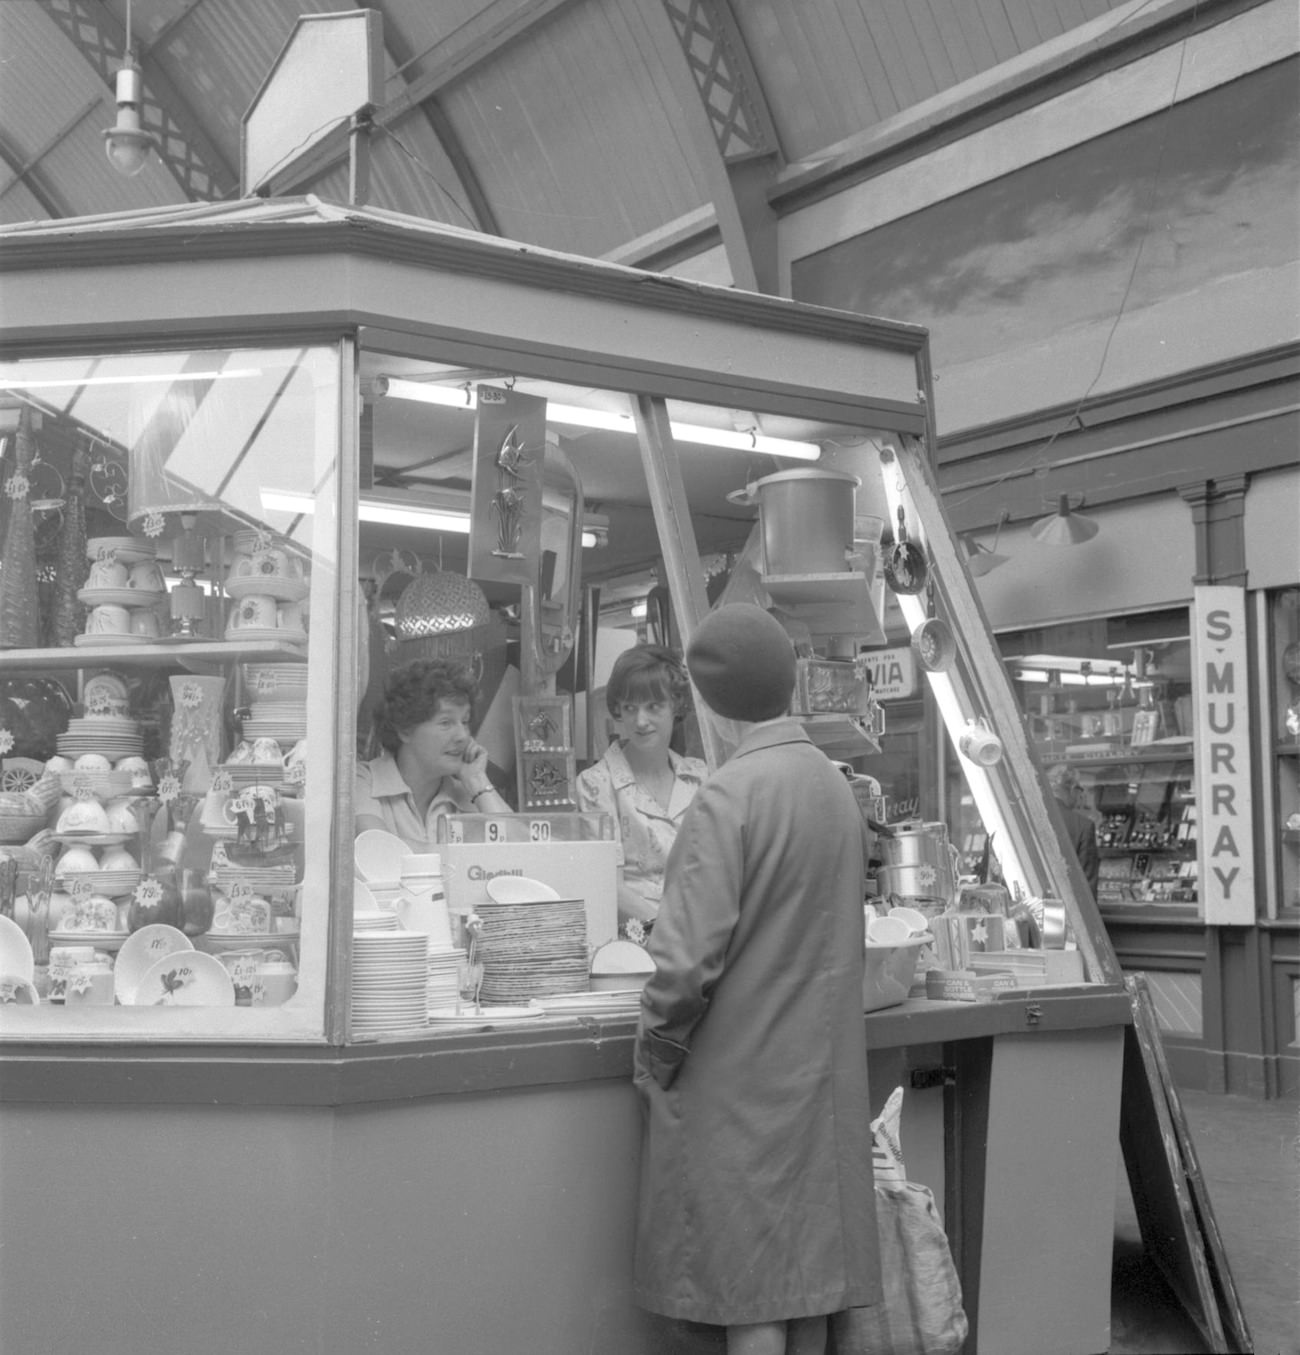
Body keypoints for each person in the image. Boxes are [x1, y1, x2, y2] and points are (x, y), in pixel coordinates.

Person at [632, 604, 879, 1355]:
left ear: (705, 700)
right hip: (819, 1069)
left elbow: (682, 961)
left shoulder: (728, 795)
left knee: (750, 1291)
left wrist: (655, 1050)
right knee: (804, 1282)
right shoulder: (834, 786)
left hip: (739, 1078)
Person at [576, 644, 707, 938]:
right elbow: (609, 885)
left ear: (676, 705)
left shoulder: (699, 777)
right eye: (630, 708)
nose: (640, 721)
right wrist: (676, 933)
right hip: (637, 944)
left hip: (704, 940)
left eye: (653, 706)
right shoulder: (597, 784)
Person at [356, 658, 510, 851]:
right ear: (404, 729)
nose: (463, 736)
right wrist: (468, 856)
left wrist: (478, 781)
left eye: (465, 721)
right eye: (446, 723)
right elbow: (378, 850)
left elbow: (523, 853)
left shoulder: (469, 793)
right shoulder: (364, 781)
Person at [1046, 761, 1100, 897]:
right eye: (1080, 790)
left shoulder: (1028, 816)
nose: (1079, 797)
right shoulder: (1083, 825)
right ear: (1072, 788)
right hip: (1066, 909)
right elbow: (1087, 885)